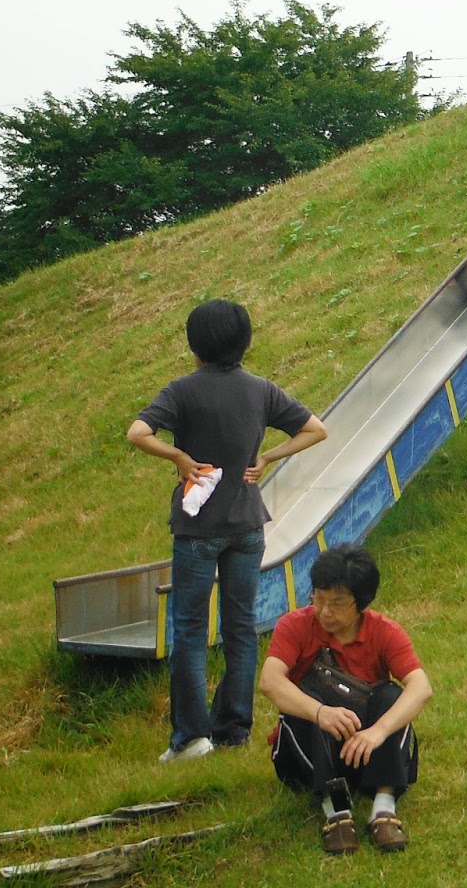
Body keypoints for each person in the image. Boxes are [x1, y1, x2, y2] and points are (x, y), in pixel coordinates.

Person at [128, 300, 326, 764]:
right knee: (240, 627)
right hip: (248, 526)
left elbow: (137, 433)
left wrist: (178, 457)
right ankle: (234, 730)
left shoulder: (182, 390)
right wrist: (268, 457)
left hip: (198, 529)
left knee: (190, 628)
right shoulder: (260, 389)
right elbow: (316, 430)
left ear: (194, 345)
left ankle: (191, 738)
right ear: (245, 341)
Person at [259, 544, 432, 855]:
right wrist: (320, 712)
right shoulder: (294, 625)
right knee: (303, 699)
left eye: (337, 603)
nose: (325, 611)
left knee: (391, 696)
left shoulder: (384, 631)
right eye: (318, 598)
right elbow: (270, 681)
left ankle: (384, 807)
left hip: (363, 749)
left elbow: (421, 687)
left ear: (361, 602)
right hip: (307, 754)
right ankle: (335, 810)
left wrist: (377, 732)